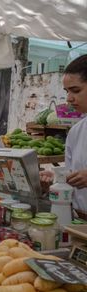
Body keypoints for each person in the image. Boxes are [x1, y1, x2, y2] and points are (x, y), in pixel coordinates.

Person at [40, 54, 87, 219]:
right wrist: (57, 181)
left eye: (76, 90)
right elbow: (71, 175)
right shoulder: (76, 132)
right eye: (67, 91)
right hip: (79, 220)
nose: (69, 98)